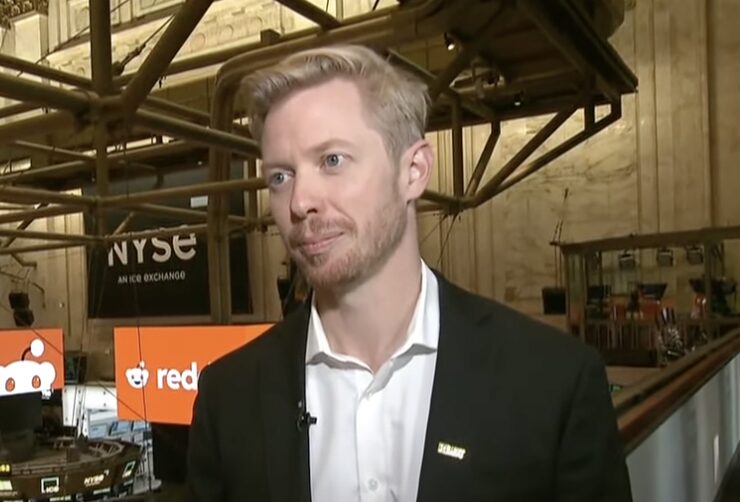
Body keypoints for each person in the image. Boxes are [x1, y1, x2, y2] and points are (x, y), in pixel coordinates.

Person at [187, 44, 633, 502]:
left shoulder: (554, 383)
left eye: (332, 160)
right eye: (281, 177)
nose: (300, 202)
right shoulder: (228, 399)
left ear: (414, 171)